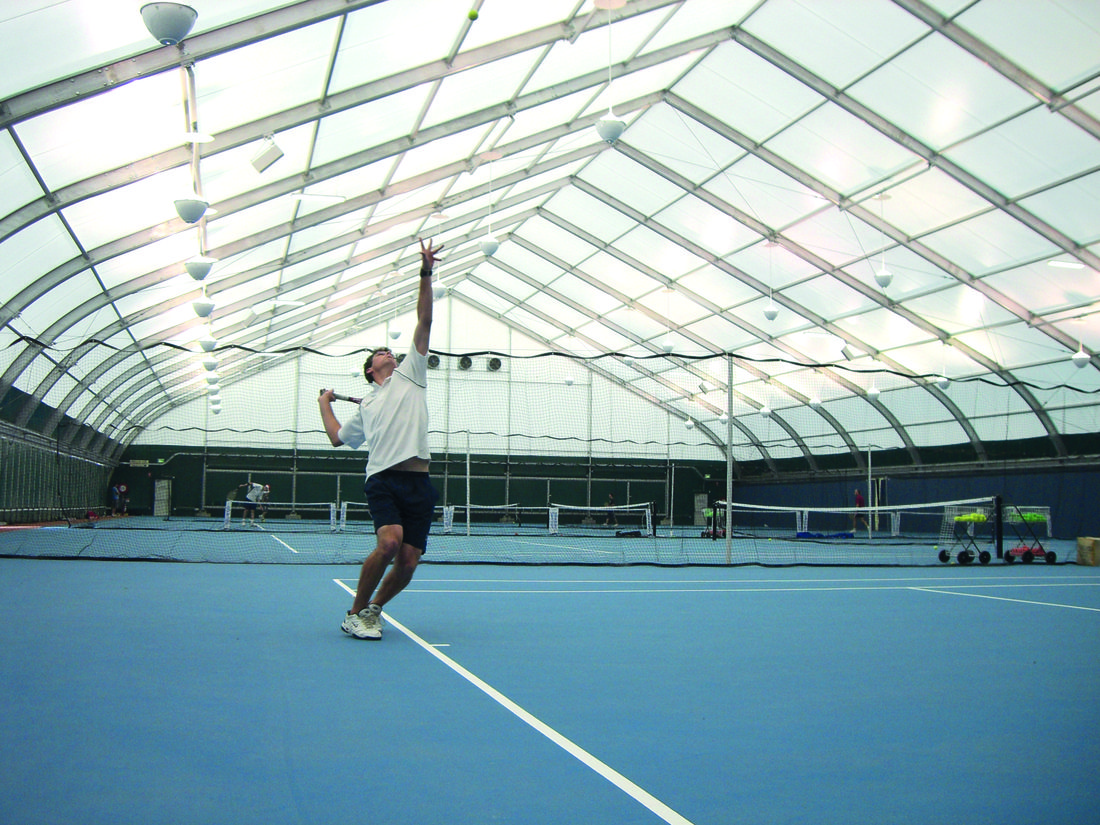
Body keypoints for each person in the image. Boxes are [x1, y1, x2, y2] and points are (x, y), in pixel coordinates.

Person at [318, 238, 443, 641]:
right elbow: (338, 438)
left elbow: (424, 321)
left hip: (419, 482)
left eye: (391, 350)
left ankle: (373, 609)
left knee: (408, 561)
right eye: (381, 354)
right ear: (371, 371)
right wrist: (325, 402)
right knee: (389, 544)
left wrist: (425, 272)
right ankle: (353, 612)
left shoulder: (411, 374)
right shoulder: (366, 408)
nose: (390, 353)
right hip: (384, 479)